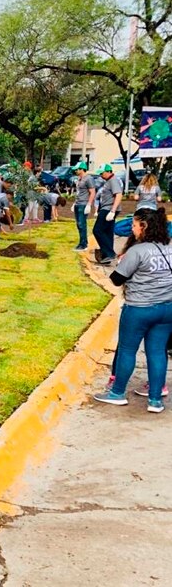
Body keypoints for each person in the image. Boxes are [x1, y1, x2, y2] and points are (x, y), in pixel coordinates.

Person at [94, 207, 172, 413]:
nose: (132, 228)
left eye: (134, 225)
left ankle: (117, 392)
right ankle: (155, 400)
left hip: (139, 308)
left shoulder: (137, 251)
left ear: (144, 227)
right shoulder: (170, 247)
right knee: (157, 352)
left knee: (128, 350)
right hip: (166, 309)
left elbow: (117, 279)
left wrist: (120, 262)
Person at [93, 164, 123, 265]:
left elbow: (118, 195)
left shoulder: (113, 180)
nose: (101, 175)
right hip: (107, 208)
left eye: (102, 173)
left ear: (108, 171)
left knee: (97, 230)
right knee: (107, 232)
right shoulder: (109, 181)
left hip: (108, 209)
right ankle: (106, 257)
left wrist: (112, 211)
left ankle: (110, 253)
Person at [73, 163, 95, 251]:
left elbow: (92, 192)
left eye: (77, 169)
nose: (76, 171)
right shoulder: (79, 179)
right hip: (78, 203)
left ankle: (83, 244)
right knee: (78, 224)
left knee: (82, 224)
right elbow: (78, 192)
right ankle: (82, 242)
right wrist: (74, 203)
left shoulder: (88, 179)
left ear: (82, 169)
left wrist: (89, 204)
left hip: (83, 204)